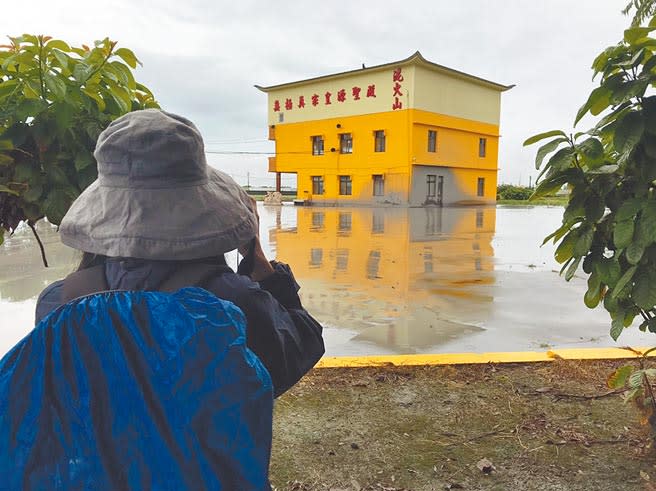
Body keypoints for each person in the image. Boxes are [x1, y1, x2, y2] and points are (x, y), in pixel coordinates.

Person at [34, 108, 325, 397]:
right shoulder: (234, 303)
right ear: (205, 210)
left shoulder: (57, 303)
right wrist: (259, 262)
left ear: (103, 214)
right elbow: (302, 347)